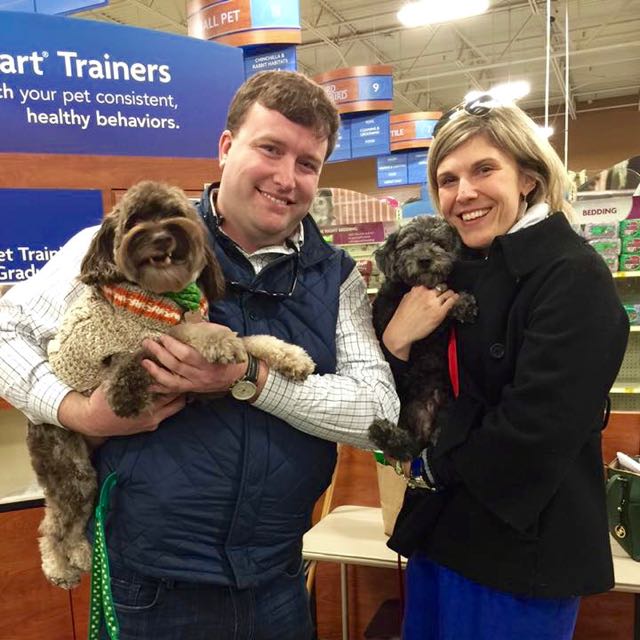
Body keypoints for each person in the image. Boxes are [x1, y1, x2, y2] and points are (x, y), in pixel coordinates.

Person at [0, 71, 399, 640]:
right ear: (226, 147)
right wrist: (78, 412)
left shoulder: (336, 278)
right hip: (152, 589)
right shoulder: (124, 241)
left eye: (307, 163)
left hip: (279, 581)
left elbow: (377, 414)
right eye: (270, 149)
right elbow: (6, 334)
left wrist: (250, 377)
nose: (286, 178)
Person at [379, 94, 629, 640]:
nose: (463, 193)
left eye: (484, 170)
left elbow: (537, 425)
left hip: (520, 553)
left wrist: (433, 466)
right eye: (447, 179)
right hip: (442, 536)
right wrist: (396, 340)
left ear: (529, 178)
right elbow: (413, 389)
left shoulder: (572, 275)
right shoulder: (455, 269)